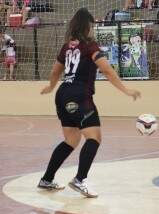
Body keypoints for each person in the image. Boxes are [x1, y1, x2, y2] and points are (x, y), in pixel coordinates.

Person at [38, 8, 141, 198]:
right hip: (79, 95)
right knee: (94, 137)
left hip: (62, 94)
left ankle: (47, 179)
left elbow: (55, 72)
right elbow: (107, 70)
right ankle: (80, 179)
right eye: (91, 25)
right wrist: (126, 91)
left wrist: (51, 87)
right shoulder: (90, 46)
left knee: (71, 140)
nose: (92, 29)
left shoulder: (67, 46)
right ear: (87, 26)